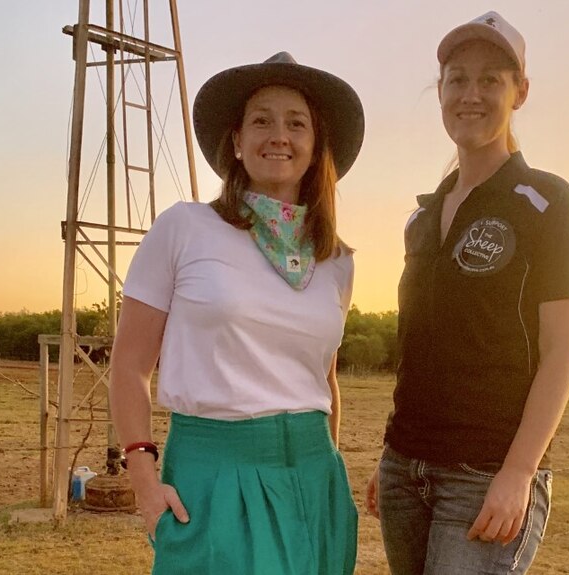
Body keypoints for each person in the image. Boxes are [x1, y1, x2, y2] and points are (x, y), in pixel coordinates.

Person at [109, 51, 364, 575]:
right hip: (215, 473)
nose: (279, 135)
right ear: (237, 142)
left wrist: (328, 469)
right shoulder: (184, 229)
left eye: (297, 124)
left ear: (316, 148)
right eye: (262, 120)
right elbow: (129, 366)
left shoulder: (336, 260)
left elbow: (325, 380)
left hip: (315, 479)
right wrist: (144, 483)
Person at [365, 11, 569, 575]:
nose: (471, 93)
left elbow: (563, 352)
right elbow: (421, 347)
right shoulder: (424, 215)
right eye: (457, 79)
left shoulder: (547, 202)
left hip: (486, 473)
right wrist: (392, 459)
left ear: (520, 91)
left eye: (491, 79)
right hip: (405, 470)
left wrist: (518, 474)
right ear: (440, 90)